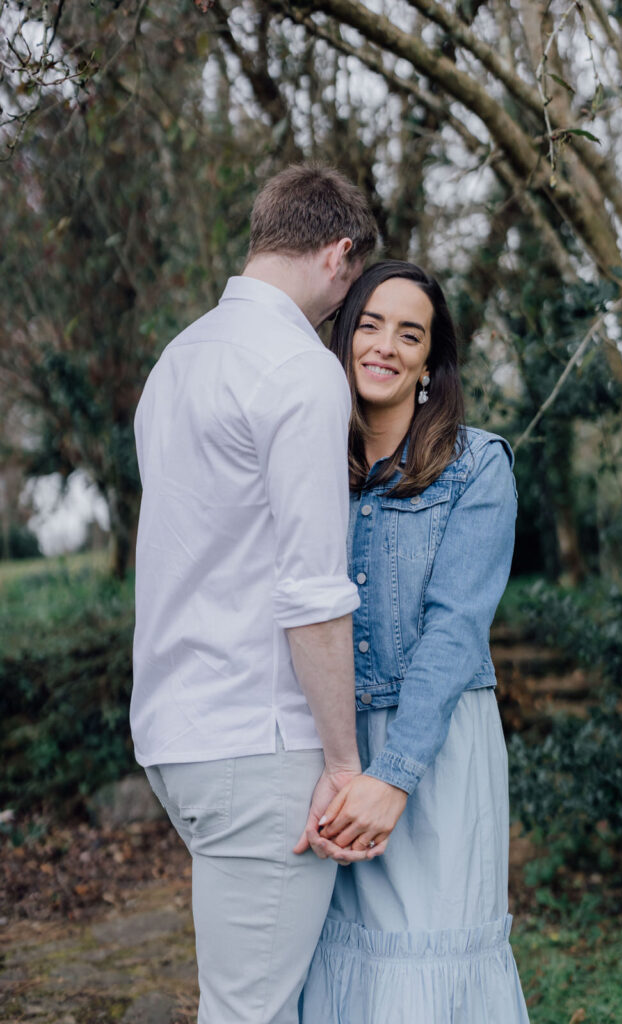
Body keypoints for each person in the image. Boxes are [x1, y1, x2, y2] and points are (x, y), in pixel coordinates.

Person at [130, 165, 381, 1024]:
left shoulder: (177, 360)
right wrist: (344, 766)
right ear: (338, 253)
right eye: (351, 282)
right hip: (258, 737)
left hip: (176, 728)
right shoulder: (300, 372)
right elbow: (311, 591)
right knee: (249, 1013)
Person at [299, 260, 530, 1023]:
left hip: (435, 744)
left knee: (425, 960)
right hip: (328, 743)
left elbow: (455, 629)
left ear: (430, 362)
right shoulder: (309, 464)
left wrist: (392, 776)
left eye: (410, 334)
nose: (385, 347)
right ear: (342, 338)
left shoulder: (475, 467)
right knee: (346, 958)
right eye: (369, 324)